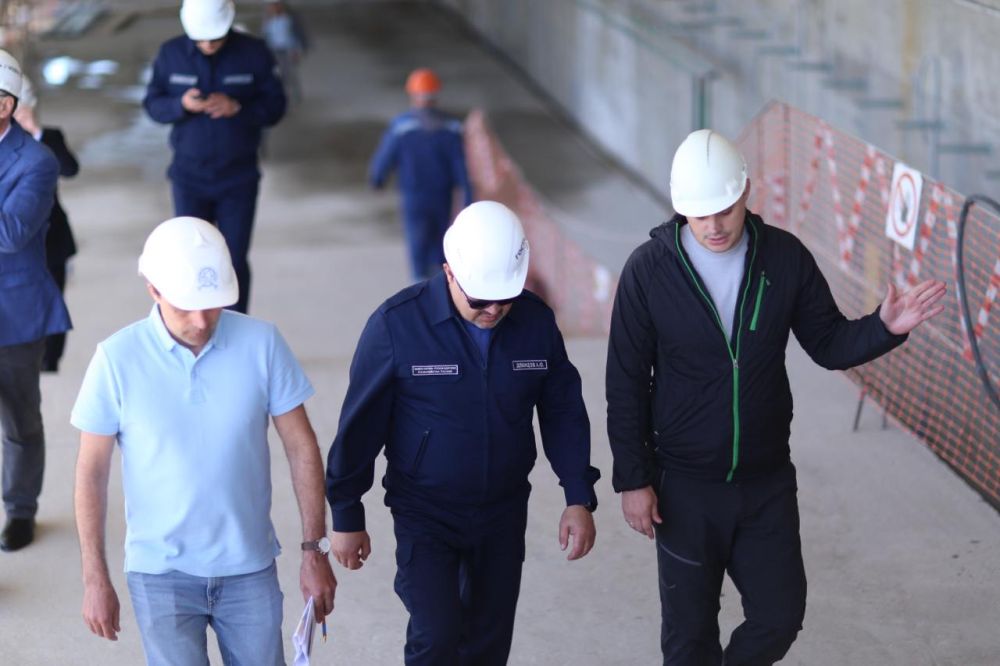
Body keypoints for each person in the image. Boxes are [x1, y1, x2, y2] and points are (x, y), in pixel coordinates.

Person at [605, 129, 946, 665]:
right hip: (684, 488)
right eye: (700, 214)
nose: (714, 225)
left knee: (780, 616)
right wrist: (633, 478)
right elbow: (624, 382)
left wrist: (883, 327)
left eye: (724, 209)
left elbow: (828, 342)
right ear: (681, 208)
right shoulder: (648, 272)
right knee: (689, 638)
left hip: (765, 482)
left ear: (746, 192)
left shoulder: (784, 259)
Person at [327, 201, 599, 665]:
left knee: (488, 643)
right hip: (425, 511)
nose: (494, 310)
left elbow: (563, 411)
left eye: (505, 298)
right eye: (480, 299)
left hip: (503, 510)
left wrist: (578, 495)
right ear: (449, 272)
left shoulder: (535, 322)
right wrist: (347, 514)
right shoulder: (397, 325)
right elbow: (360, 426)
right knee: (436, 635)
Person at [72, 216, 336, 664]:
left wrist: (315, 550)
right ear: (153, 289)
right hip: (159, 575)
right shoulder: (115, 359)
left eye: (211, 305)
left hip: (249, 568)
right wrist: (94, 578)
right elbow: (90, 472)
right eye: (186, 307)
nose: (201, 321)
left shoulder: (262, 342)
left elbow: (301, 447)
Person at [143, 0, 286, 314]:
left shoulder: (253, 53)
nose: (208, 44)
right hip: (188, 178)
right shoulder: (171, 54)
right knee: (190, 258)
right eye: (201, 39)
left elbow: (276, 106)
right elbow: (152, 104)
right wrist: (180, 105)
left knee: (233, 259)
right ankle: (195, 323)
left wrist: (239, 108)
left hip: (238, 177)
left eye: (215, 38)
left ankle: (236, 324)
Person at [0, 49, 71, 552]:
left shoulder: (37, 161)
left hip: (14, 312)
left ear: (5, 105)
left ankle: (20, 509)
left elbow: (11, 233)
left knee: (20, 419)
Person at [369, 68, 474, 282]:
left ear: (412, 95)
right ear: (436, 95)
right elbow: (460, 164)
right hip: (442, 195)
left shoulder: (402, 127)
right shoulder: (451, 128)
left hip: (413, 195)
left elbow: (385, 156)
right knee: (442, 240)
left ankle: (418, 283)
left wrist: (377, 179)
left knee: (417, 241)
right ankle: (442, 283)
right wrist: (467, 195)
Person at [14, 77, 80, 373]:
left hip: (52, 237)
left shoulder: (49, 137)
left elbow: (70, 169)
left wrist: (36, 131)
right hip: (15, 240)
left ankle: (49, 360)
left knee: (53, 300)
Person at [262, 0, 307, 104]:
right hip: (274, 49)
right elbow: (266, 36)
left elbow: (295, 35)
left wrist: (296, 50)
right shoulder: (268, 21)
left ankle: (295, 97)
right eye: (271, 6)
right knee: (277, 74)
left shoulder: (288, 19)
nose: (273, 8)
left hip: (287, 49)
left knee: (290, 73)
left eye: (276, 6)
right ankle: (281, 97)